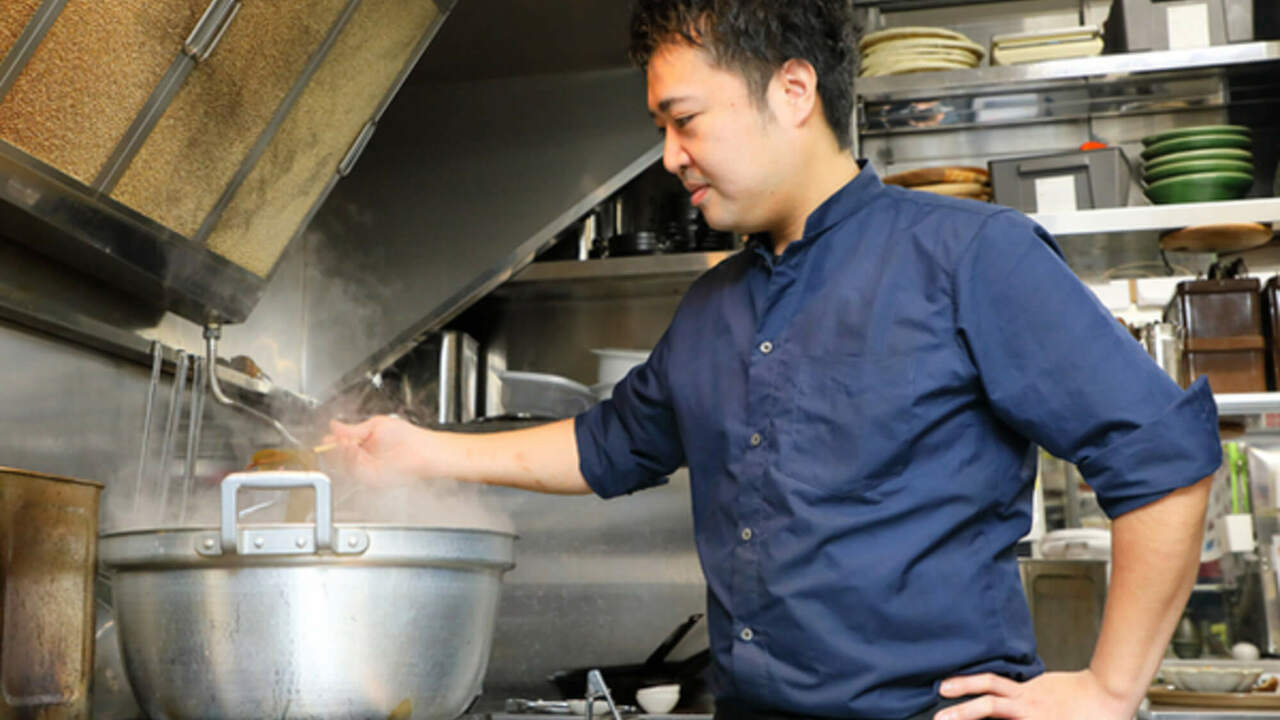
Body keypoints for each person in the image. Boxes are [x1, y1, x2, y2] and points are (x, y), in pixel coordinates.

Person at [329, 2, 1221, 719]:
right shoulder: (713, 307)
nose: (670, 155)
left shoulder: (971, 255)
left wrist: (1108, 691)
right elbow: (608, 444)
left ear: (793, 89)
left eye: (684, 120)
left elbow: (1163, 456)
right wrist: (419, 448)